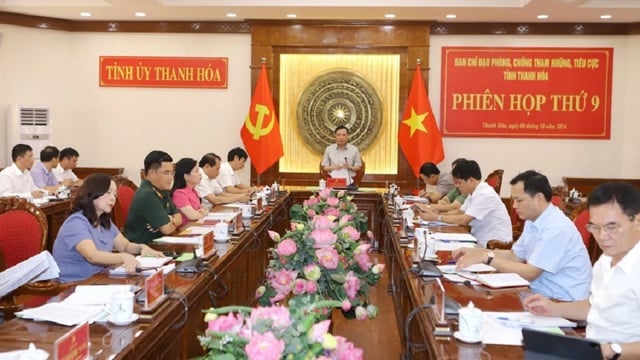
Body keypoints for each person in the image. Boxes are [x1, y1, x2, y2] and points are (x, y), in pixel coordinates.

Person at [524, 182, 640, 360]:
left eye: (611, 227)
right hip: (590, 350)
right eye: (595, 227)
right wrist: (553, 308)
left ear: (637, 221)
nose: (601, 236)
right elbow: (596, 306)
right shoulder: (606, 260)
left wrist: (612, 350)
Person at [453, 170, 592, 301]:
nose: (513, 205)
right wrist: (475, 251)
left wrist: (486, 258)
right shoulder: (534, 220)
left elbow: (531, 272)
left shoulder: (556, 227)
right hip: (538, 293)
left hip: (561, 302)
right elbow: (515, 256)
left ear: (538, 199)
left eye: (519, 200)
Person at [52, 173, 164, 283]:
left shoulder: (103, 220)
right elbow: (92, 256)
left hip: (100, 279)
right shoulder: (75, 223)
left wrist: (141, 248)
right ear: (92, 193)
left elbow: (125, 246)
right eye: (108, 192)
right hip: (75, 285)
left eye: (115, 194)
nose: (113, 198)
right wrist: (123, 257)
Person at [415, 159, 511, 247]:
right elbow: (460, 211)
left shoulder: (485, 194)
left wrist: (437, 218)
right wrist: (435, 213)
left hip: (494, 246)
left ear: (471, 181)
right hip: (479, 240)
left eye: (458, 182)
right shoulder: (473, 192)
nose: (456, 186)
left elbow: (465, 219)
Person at [124, 150, 182, 244]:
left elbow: (179, 218)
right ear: (151, 173)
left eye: (172, 173)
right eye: (166, 173)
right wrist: (171, 220)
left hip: (160, 244)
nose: (170, 177)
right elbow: (167, 229)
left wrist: (170, 219)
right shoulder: (147, 194)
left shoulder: (162, 190)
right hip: (144, 248)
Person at [171, 157, 208, 227]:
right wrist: (202, 213)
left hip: (196, 226)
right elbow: (192, 216)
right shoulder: (179, 194)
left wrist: (202, 212)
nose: (200, 174)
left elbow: (205, 209)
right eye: (196, 171)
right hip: (184, 231)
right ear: (186, 176)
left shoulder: (194, 191)